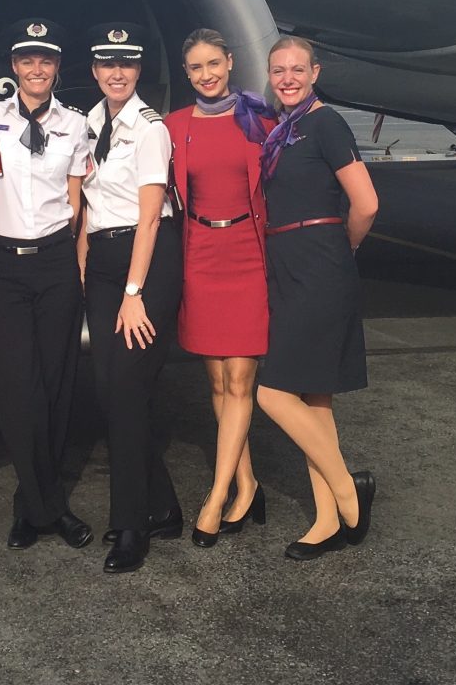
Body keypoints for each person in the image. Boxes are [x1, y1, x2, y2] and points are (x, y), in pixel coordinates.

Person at [0, 18, 93, 552]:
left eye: (46, 60)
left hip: (54, 261)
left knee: (58, 386)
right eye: (27, 59)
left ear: (57, 68)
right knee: (18, 388)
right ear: (14, 66)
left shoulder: (77, 124)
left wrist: (80, 265)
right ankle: (49, 508)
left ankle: (34, 507)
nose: (36, 68)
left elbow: (78, 200)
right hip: (2, 263)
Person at [256, 35, 379, 561]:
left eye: (297, 70)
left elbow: (367, 203)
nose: (287, 78)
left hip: (320, 263)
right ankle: (327, 519)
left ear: (315, 72)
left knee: (273, 392)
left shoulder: (325, 123)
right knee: (314, 397)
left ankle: (350, 491)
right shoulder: (286, 127)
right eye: (279, 70)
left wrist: (342, 246)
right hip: (288, 263)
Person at [165, 28, 275, 548]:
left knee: (239, 382)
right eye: (196, 68)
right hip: (200, 256)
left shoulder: (261, 122)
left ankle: (216, 495)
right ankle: (248, 482)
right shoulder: (174, 126)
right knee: (215, 384)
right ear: (186, 74)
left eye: (214, 63)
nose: (206, 74)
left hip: (247, 257)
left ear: (230, 62)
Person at [79, 23, 183, 573]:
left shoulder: (149, 129)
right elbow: (89, 209)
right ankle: (163, 506)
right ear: (95, 71)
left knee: (125, 391)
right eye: (106, 64)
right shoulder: (94, 122)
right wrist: (85, 273)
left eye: (127, 64)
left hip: (146, 263)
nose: (116, 73)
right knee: (107, 389)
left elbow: (148, 218)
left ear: (139, 71)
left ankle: (130, 526)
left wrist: (134, 292)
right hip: (102, 260)